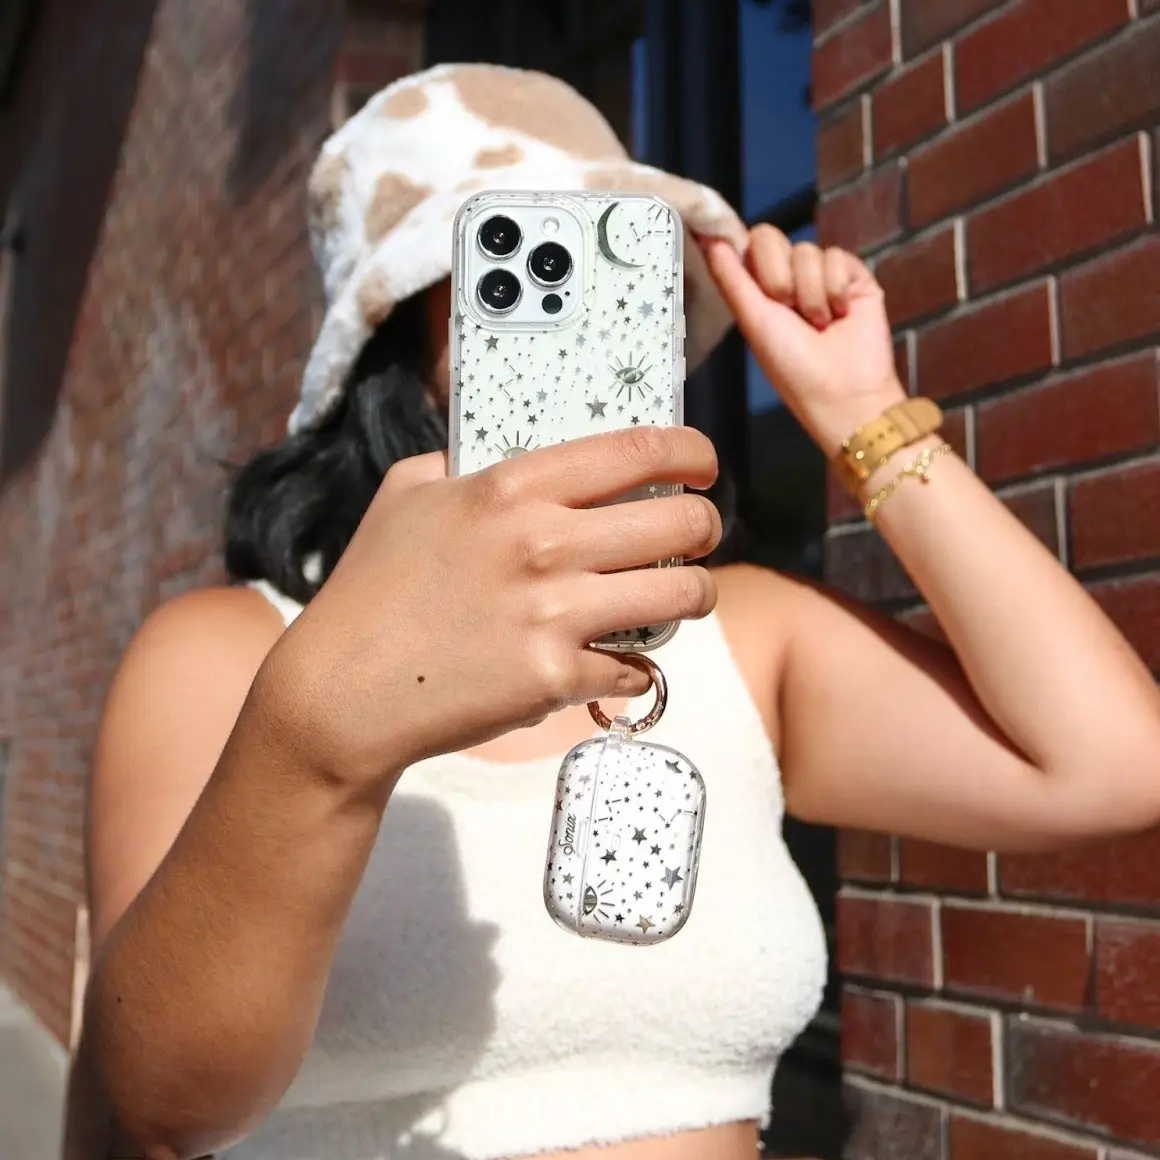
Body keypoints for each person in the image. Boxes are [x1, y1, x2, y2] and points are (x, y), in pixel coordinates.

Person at [80, 65, 1160, 1160]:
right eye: (516, 277)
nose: (578, 327)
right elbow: (165, 1101)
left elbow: (1112, 766)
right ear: (397, 346)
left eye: (621, 283)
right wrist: (320, 741)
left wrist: (861, 412)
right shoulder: (227, 654)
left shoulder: (745, 632)